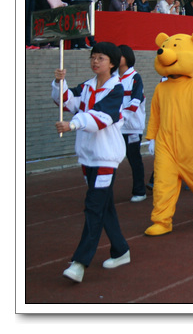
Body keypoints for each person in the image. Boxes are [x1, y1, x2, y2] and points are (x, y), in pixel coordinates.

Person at [53, 42, 130, 283]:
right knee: (104, 206)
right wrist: (59, 83)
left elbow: (101, 117)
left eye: (101, 58)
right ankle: (121, 250)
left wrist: (73, 124)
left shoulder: (116, 89)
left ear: (112, 63)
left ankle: (80, 262)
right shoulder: (86, 86)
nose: (95, 61)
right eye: (93, 57)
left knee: (94, 206)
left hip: (106, 157)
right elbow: (67, 102)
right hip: (87, 156)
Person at [115, 44, 147, 202]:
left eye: (119, 55)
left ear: (127, 58)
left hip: (132, 127)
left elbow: (135, 102)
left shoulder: (135, 78)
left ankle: (140, 191)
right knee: (110, 158)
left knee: (134, 159)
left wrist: (120, 117)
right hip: (116, 127)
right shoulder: (113, 77)